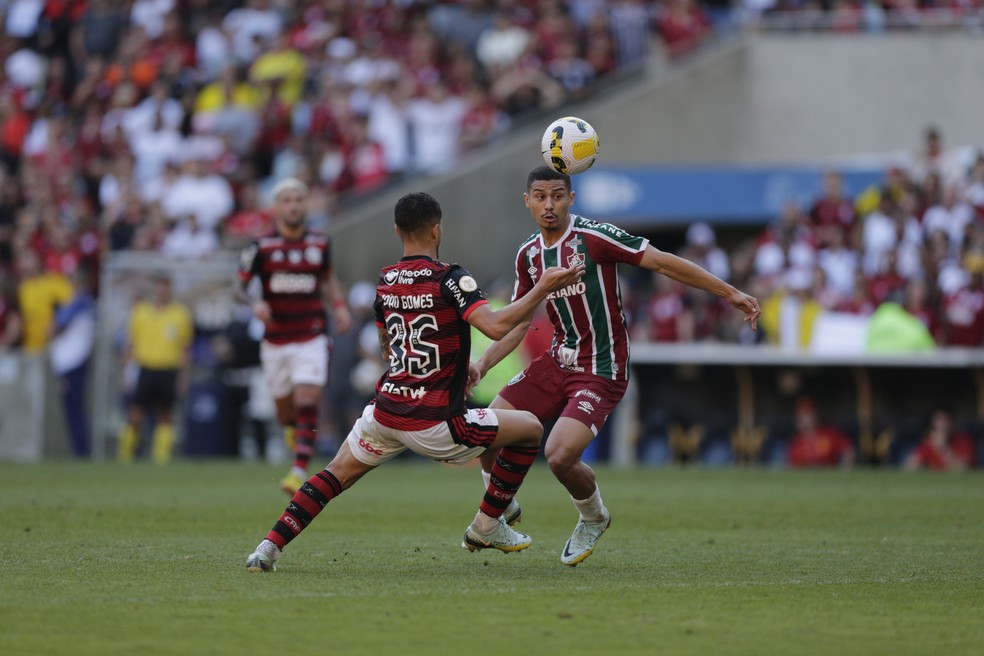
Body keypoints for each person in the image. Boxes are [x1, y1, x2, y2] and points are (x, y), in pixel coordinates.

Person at [245, 191, 585, 572]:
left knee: (333, 476)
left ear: (396, 230)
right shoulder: (452, 277)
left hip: (386, 412)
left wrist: (451, 367)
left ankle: (267, 549)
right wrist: (543, 288)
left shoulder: (385, 280)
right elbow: (494, 325)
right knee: (530, 429)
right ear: (437, 230)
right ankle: (488, 523)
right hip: (434, 421)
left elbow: (388, 346)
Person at [470, 166, 761, 567]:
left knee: (559, 455)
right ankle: (501, 506)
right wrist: (483, 363)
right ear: (528, 202)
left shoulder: (594, 237)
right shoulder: (529, 255)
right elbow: (520, 319)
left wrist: (729, 292)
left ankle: (593, 516)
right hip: (558, 360)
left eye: (557, 195)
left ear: (571, 198)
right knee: (486, 430)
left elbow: (661, 263)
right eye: (540, 196)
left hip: (601, 367)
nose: (549, 204)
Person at [236, 177, 352, 495]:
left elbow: (328, 277)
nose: (293, 206)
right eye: (286, 200)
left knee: (307, 399)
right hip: (275, 340)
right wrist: (256, 301)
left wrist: (339, 306)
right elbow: (239, 287)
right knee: (286, 411)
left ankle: (298, 470)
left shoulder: (319, 243)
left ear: (305, 205)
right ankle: (294, 431)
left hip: (311, 335)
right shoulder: (260, 246)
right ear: (276, 208)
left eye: (298, 200)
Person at [117, 273, 194, 464]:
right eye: (158, 286)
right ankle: (124, 456)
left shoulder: (180, 314)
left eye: (165, 286)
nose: (162, 290)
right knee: (135, 414)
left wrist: (183, 376)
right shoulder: (141, 311)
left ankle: (161, 460)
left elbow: (186, 349)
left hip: (168, 369)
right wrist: (126, 372)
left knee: (165, 415)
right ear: (153, 289)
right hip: (145, 368)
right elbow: (130, 344)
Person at [786, 396, 855, 468]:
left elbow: (848, 450)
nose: (805, 419)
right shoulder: (796, 443)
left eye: (808, 414)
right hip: (807, 477)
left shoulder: (829, 434)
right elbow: (793, 469)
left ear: (815, 415)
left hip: (829, 476)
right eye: (801, 416)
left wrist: (844, 471)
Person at [904, 410, 976, 472]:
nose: (941, 425)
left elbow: (961, 470)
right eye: (938, 420)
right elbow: (909, 467)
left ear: (951, 422)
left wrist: (944, 447)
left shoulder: (963, 440)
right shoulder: (929, 443)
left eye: (944, 420)